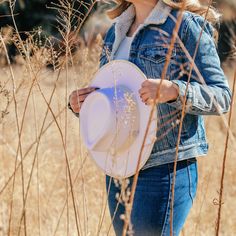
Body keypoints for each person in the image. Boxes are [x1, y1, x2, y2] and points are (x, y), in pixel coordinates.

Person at [68, 0, 231, 235]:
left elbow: (222, 96)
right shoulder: (116, 31)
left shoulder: (186, 25)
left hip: (164, 169)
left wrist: (175, 90)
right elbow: (116, 98)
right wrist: (82, 104)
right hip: (118, 167)